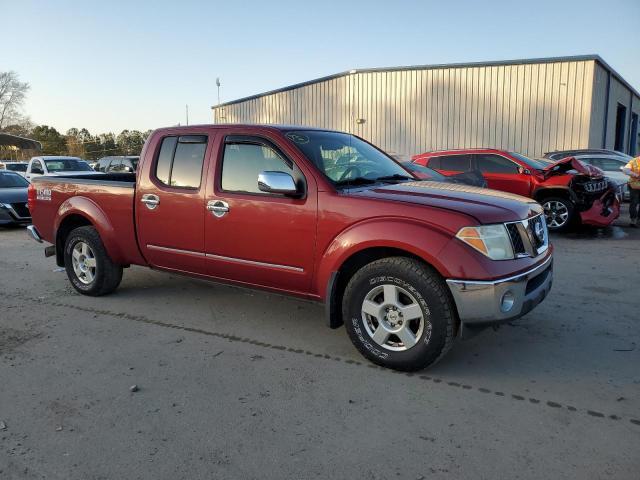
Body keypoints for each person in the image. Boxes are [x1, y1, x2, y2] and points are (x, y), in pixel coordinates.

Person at [622, 156, 640, 227]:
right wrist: (635, 175)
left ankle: (638, 220)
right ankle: (633, 220)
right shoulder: (633, 161)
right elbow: (625, 170)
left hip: (634, 185)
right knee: (634, 203)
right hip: (634, 186)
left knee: (634, 203)